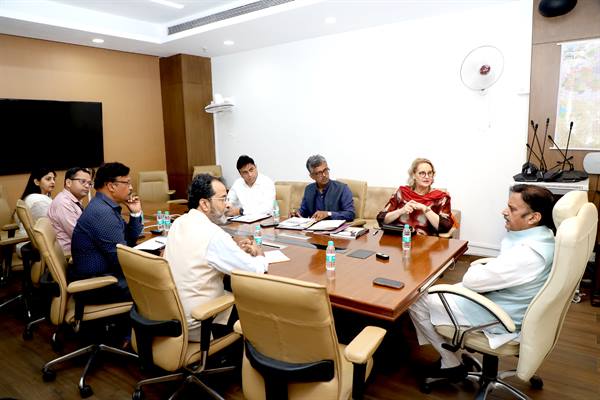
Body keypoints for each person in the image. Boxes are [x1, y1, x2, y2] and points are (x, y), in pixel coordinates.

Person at [409, 184, 555, 380]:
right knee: (436, 292)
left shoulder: (528, 255)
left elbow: (471, 280)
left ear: (533, 218)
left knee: (414, 298)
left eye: (512, 209)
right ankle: (451, 348)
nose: (504, 212)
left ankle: (450, 363)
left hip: (499, 316)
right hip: (507, 302)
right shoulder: (545, 237)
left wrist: (478, 270)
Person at [165, 173, 268, 341]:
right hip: (201, 322)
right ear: (204, 204)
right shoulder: (213, 235)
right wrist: (260, 254)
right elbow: (254, 271)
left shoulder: (179, 222)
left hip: (173, 315)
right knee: (256, 302)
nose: (227, 205)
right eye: (222, 199)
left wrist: (233, 250)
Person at [70, 162, 143, 302]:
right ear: (111, 186)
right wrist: (154, 260)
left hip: (107, 275)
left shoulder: (104, 205)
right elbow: (121, 259)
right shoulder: (102, 213)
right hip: (99, 285)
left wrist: (135, 214)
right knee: (159, 286)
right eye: (127, 183)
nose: (131, 187)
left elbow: (129, 239)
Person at [377, 158, 453, 236]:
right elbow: (381, 219)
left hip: (424, 240)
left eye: (430, 173)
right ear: (413, 175)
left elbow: (445, 227)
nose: (427, 176)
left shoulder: (441, 197)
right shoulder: (402, 192)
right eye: (422, 173)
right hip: (398, 237)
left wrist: (425, 209)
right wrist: (401, 210)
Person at [47, 167, 93, 253]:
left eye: (89, 183)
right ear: (68, 183)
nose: (87, 186)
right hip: (71, 255)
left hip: (80, 249)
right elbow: (79, 235)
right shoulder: (63, 203)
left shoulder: (72, 200)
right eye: (83, 181)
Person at [297, 154, 355, 221]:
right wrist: (297, 214)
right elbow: (304, 212)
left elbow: (350, 214)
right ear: (312, 176)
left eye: (325, 170)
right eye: (319, 173)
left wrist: (328, 214)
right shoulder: (309, 189)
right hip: (314, 226)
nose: (324, 175)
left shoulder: (342, 189)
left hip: (333, 226)